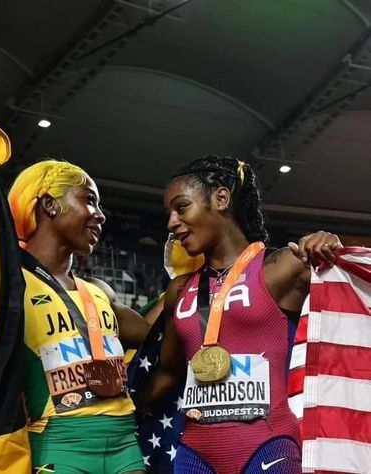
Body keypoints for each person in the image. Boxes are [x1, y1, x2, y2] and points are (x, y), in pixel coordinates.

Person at [0, 73, 159, 474]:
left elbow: (158, 333)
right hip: (59, 446)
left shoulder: (100, 291)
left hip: (126, 445)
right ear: (49, 205)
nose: (100, 215)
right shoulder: (10, 285)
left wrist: (194, 276)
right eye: (89, 200)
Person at [143, 155, 343, 474]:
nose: (171, 223)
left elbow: (348, 291)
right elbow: (167, 375)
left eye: (181, 208)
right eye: (168, 213)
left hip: (268, 447)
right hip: (195, 454)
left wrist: (331, 248)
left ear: (221, 199)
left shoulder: (280, 269)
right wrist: (114, 406)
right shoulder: (179, 291)